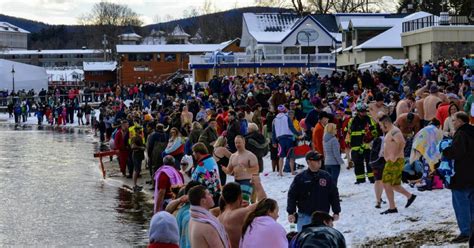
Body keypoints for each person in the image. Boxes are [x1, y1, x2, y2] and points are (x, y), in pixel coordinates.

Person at [287, 151, 341, 231]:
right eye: (316, 159)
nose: (319, 161)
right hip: (305, 216)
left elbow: (334, 194)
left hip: (323, 217)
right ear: (308, 162)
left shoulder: (326, 176)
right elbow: (292, 195)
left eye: (320, 159)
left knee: (323, 242)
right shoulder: (300, 178)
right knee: (304, 241)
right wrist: (291, 212)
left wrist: (336, 211)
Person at [442, 111, 474, 244]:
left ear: (461, 121)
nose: (452, 123)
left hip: (462, 175)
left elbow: (456, 152)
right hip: (472, 174)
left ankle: (466, 232)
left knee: (461, 204)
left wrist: (445, 150)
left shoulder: (461, 133)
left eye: (454, 120)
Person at [378, 114, 416, 214]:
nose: (380, 127)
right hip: (393, 160)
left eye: (381, 125)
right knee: (395, 185)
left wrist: (395, 155)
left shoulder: (394, 131)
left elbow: (402, 142)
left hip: (394, 161)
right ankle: (410, 196)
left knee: (386, 183)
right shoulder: (391, 131)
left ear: (385, 123)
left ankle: (392, 207)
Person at [218, 181, 267, 248]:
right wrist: (257, 182)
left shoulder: (220, 217)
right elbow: (264, 202)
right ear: (240, 196)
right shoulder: (239, 214)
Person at [345, 103, 377, 184]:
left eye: (365, 111)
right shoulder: (352, 121)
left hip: (367, 145)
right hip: (356, 145)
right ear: (358, 111)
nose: (364, 113)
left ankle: (372, 178)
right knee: (358, 163)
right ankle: (360, 179)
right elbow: (348, 132)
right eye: (362, 111)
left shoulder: (369, 119)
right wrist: (347, 141)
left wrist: (371, 135)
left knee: (370, 162)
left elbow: (374, 131)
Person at [222, 136, 259, 203]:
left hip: (247, 181)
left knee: (243, 202)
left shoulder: (250, 155)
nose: (237, 144)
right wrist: (225, 170)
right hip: (236, 182)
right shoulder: (233, 156)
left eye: (239, 142)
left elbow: (256, 169)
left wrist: (245, 169)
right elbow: (229, 171)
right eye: (236, 143)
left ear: (244, 142)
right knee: (237, 203)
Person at [272, 104, 302, 176]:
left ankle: (280, 172)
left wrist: (274, 141)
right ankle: (292, 171)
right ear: (284, 110)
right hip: (289, 138)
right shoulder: (287, 117)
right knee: (291, 156)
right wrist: (298, 134)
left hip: (280, 139)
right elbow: (291, 127)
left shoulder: (274, 120)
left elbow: (274, 132)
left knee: (281, 156)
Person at [130, 126, 146, 192]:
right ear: (136, 130)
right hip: (136, 155)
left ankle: (135, 185)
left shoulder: (139, 137)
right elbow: (132, 146)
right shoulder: (134, 138)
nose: (141, 130)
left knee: (137, 170)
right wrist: (140, 147)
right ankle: (134, 185)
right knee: (136, 170)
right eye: (139, 129)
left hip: (139, 155)